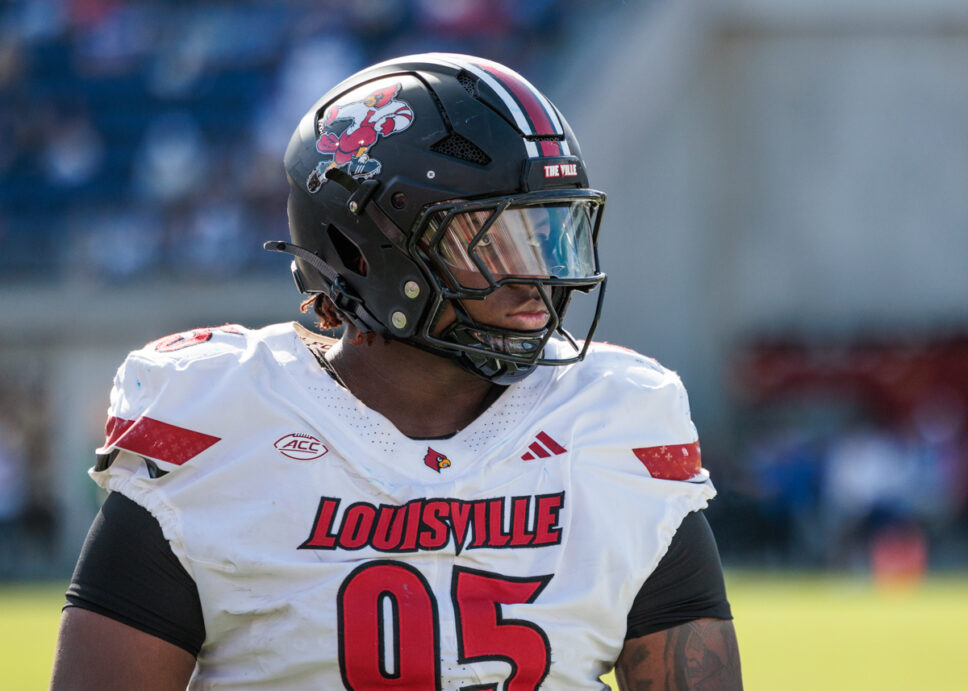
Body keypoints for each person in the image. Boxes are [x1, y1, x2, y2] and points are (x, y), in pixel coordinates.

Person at [51, 53, 742, 690]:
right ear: (366, 246)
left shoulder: (613, 425)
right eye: (495, 239)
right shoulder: (220, 422)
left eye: (551, 233)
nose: (541, 278)